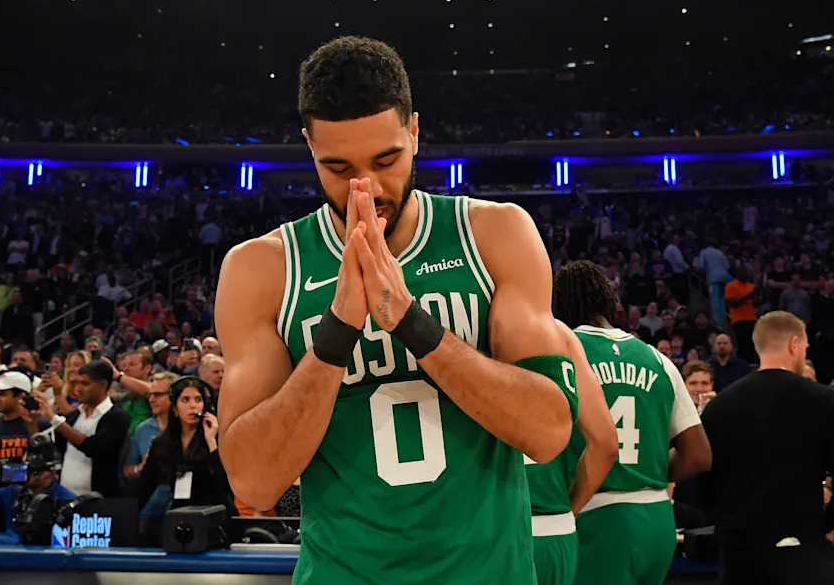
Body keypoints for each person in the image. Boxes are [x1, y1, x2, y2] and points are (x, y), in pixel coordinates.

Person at [215, 36, 578, 583]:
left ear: (414, 132)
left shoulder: (493, 233)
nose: (366, 187)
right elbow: (253, 482)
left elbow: (548, 432)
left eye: (386, 160)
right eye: (337, 167)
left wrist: (410, 321)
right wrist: (338, 330)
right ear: (309, 145)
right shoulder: (261, 268)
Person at [551, 260, 712, 585]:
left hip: (597, 516)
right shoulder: (659, 359)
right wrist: (645, 469)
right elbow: (698, 455)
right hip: (657, 519)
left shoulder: (562, 354)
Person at [700, 311, 834, 584]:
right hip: (802, 547)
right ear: (794, 344)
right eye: (805, 347)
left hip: (738, 551)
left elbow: (705, 480)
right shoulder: (823, 401)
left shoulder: (719, 406)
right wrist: (828, 524)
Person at [527, 321, 619, 585]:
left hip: (483, 527)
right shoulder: (558, 334)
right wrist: (572, 508)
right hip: (555, 527)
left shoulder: (452, 331)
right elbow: (605, 443)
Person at [135, 376, 235, 526]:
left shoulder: (217, 439)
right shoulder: (161, 444)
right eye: (185, 400)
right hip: (180, 517)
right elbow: (144, 488)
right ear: (175, 408)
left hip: (217, 518)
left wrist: (211, 441)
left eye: (198, 400)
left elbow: (225, 486)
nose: (193, 406)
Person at [32, 360, 130, 497]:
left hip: (99, 499)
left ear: (102, 385)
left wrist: (54, 418)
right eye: (76, 383)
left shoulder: (117, 417)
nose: (78, 388)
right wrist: (31, 421)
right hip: (64, 496)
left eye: (84, 383)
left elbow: (93, 447)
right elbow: (48, 446)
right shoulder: (74, 416)